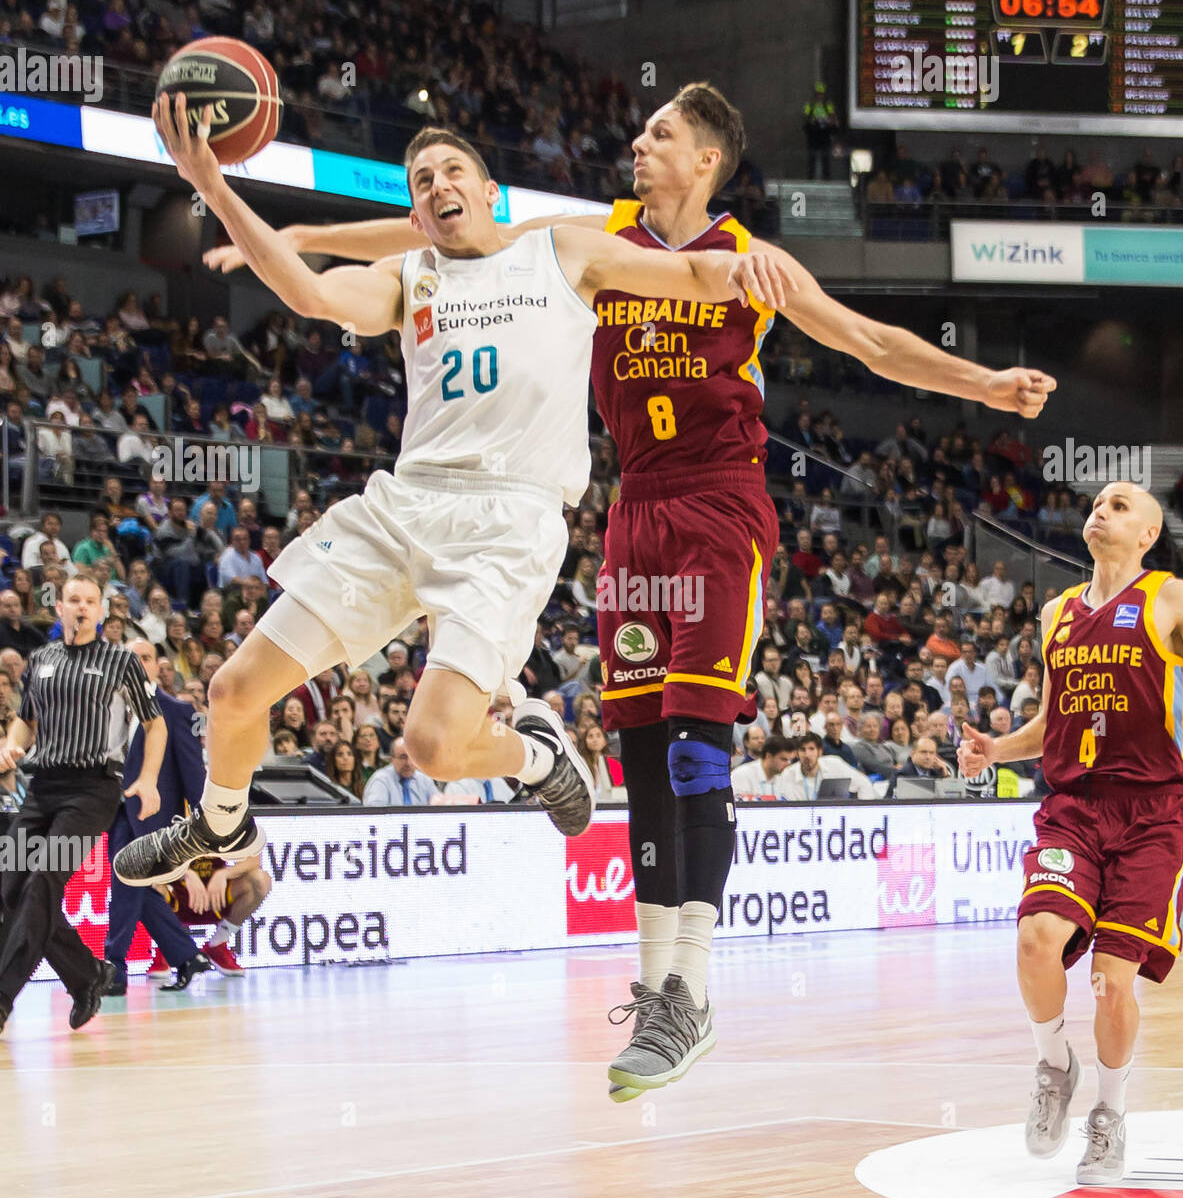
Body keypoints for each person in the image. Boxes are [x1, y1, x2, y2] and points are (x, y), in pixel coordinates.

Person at [208, 82, 1055, 1103]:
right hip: (630, 510)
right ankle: (654, 988)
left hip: (716, 503)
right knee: (644, 753)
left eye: (660, 135)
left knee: (700, 747)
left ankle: (689, 988)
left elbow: (864, 340)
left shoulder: (742, 260)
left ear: (705, 160)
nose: (637, 144)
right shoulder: (589, 237)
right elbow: (439, 226)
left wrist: (985, 388)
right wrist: (306, 232)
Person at [114, 103, 786, 895]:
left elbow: (691, 273)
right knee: (230, 691)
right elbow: (308, 295)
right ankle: (222, 823)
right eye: (422, 182)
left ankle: (537, 756)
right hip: (404, 506)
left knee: (432, 748)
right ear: (416, 210)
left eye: (452, 172)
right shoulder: (411, 276)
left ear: (492, 191)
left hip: (509, 520)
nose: (438, 187)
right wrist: (214, 187)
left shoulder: (560, 253)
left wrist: (745, 270)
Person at [959, 482, 1183, 1184]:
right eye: (1099, 501)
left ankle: (1110, 1114)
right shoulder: (1058, 612)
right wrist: (994, 751)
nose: (1103, 509)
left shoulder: (1170, 597)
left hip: (1153, 812)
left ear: (1149, 534)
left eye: (1122, 505)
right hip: (1074, 804)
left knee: (1111, 980)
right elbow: (1053, 723)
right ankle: (1054, 1064)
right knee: (1035, 939)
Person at [0, 574, 166, 1034]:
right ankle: (89, 975)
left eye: (90, 601)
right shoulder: (41, 660)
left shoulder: (121, 661)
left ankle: (2, 998)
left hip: (92, 789)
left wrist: (149, 778)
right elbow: (25, 723)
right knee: (9, 887)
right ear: (59, 607)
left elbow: (156, 726)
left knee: (42, 883)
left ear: (100, 611)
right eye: (74, 599)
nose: (82, 607)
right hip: (42, 787)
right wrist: (11, 746)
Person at [104, 639, 217, 992]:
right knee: (136, 887)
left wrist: (199, 824)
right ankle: (187, 955)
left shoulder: (176, 710)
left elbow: (193, 776)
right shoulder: (109, 708)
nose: (138, 664)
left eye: (146, 658)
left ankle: (114, 967)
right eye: (130, 658)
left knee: (126, 879)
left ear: (157, 667)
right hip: (117, 810)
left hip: (156, 819)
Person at [362, 737, 437, 806]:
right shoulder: (381, 780)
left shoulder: (424, 780)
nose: (408, 763)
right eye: (403, 757)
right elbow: (376, 813)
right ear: (391, 759)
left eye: (412, 757)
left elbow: (439, 805)